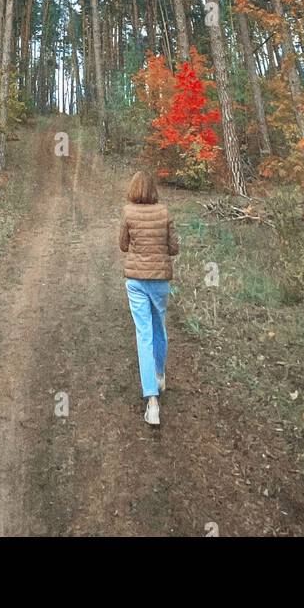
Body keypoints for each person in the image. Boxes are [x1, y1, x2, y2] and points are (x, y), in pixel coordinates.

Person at [118, 169, 179, 427]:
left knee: (143, 334)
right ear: (153, 190)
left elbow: (123, 245)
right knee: (158, 327)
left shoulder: (127, 212)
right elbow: (174, 247)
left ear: (133, 189)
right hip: (160, 281)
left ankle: (151, 401)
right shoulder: (164, 212)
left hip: (136, 281)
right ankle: (160, 374)